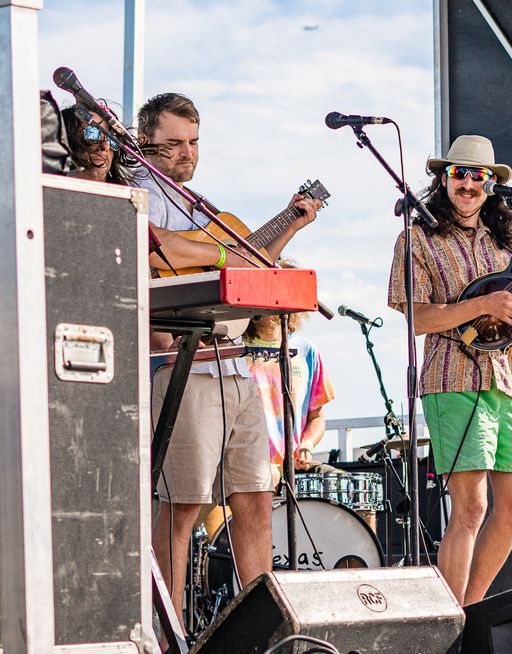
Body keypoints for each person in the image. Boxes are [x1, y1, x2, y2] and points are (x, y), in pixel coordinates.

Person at [137, 92, 322, 625]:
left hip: (237, 366)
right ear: (145, 141)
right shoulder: (138, 189)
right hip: (182, 370)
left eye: (193, 143)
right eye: (172, 144)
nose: (185, 154)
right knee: (182, 509)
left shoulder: (202, 206)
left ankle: (264, 630)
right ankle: (166, 633)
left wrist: (291, 223)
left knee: (255, 500)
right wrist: (219, 252)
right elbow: (158, 245)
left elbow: (249, 263)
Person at [387, 134, 512, 604]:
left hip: (509, 382)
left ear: (492, 184)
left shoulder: (507, 242)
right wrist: (481, 305)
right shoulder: (417, 238)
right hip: (453, 379)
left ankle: (469, 612)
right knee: (471, 507)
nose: (469, 183)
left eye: (479, 175)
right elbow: (415, 317)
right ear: (443, 179)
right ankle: (448, 623)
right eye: (459, 173)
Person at [243, 312, 335, 477]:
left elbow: (317, 417)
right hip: (250, 466)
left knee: (339, 481)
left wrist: (307, 444)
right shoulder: (235, 350)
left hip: (293, 467)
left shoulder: (307, 350)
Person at [61, 102, 135, 184]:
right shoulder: (46, 192)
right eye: (93, 134)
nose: (106, 146)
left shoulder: (126, 194)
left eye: (112, 139)